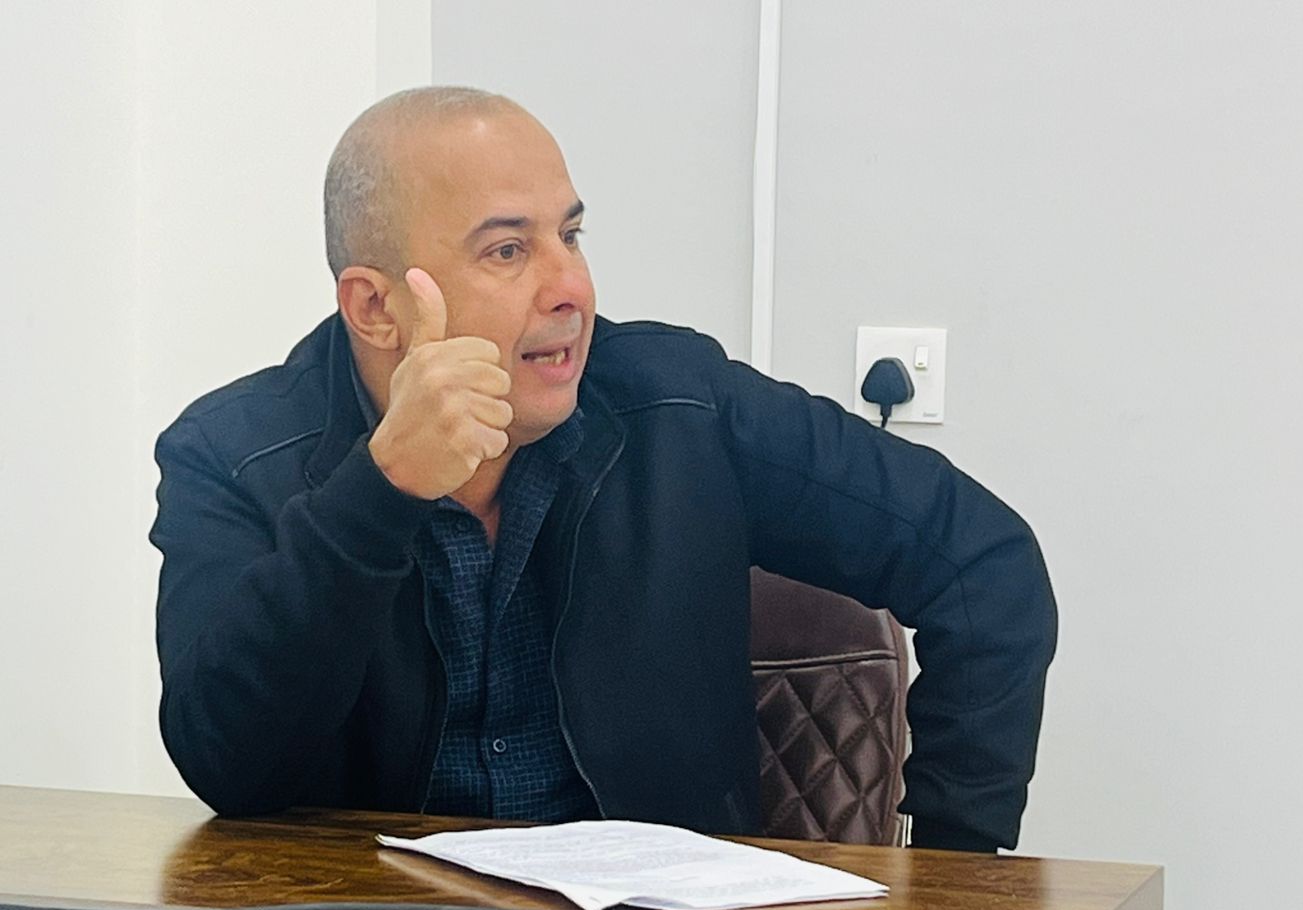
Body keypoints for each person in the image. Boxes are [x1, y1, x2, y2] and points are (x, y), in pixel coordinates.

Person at [149, 87, 1057, 853]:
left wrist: (950, 875)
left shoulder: (682, 405)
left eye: (571, 236)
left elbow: (985, 566)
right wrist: (379, 492)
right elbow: (232, 769)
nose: (571, 288)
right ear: (375, 308)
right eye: (509, 251)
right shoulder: (232, 457)